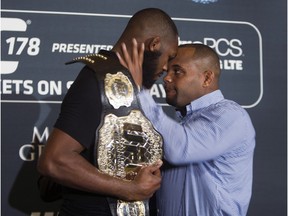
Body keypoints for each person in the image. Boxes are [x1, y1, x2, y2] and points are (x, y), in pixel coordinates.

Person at [37, 8, 178, 216]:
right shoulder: (97, 80)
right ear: (154, 44)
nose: (167, 67)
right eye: (169, 57)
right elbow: (55, 160)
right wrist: (129, 189)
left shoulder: (131, 85)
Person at [118, 43, 256, 216]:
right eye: (167, 71)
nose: (166, 78)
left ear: (207, 78)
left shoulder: (230, 116)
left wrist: (141, 91)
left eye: (177, 71)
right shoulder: (183, 121)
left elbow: (181, 149)